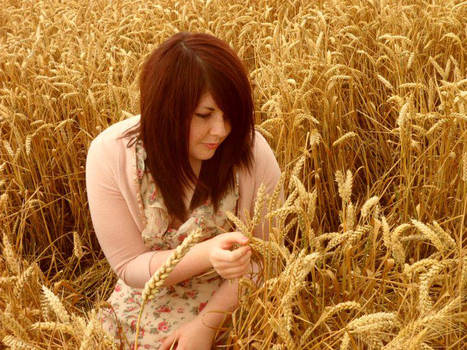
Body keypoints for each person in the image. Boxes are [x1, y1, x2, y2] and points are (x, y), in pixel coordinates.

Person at [85, 32, 281, 349]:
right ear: (166, 108)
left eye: (230, 115)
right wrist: (207, 253)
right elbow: (129, 266)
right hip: (151, 292)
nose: (220, 130)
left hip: (236, 294)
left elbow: (266, 258)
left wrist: (205, 325)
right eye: (204, 115)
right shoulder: (110, 153)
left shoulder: (252, 151)